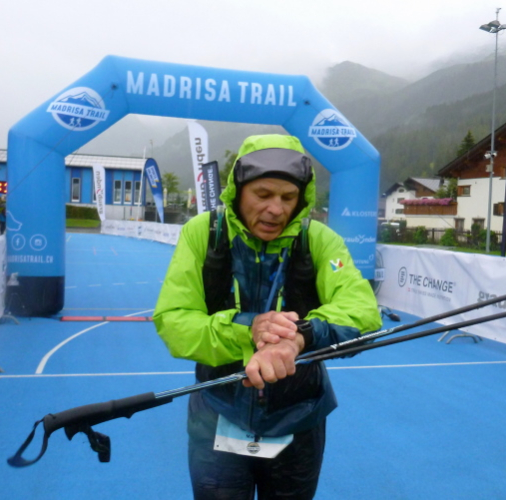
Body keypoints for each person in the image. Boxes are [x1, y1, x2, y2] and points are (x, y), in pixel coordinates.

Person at [154, 134, 381, 499]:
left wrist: (299, 337)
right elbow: (174, 320)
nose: (276, 209)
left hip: (299, 419)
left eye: (288, 197)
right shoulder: (202, 234)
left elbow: (362, 309)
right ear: (237, 191)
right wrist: (248, 330)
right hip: (217, 415)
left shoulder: (322, 241)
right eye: (263, 194)